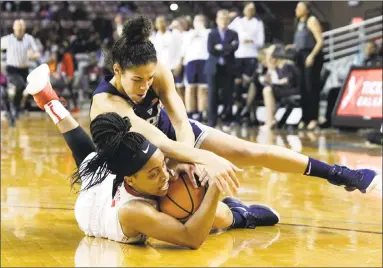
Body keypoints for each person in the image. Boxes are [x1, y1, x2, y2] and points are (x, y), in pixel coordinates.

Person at [34, 15, 379, 198]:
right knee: (104, 174)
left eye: (149, 79)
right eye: (136, 81)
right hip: (133, 153)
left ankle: (341, 175)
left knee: (249, 150)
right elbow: (159, 143)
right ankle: (52, 104)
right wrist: (198, 159)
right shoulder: (106, 105)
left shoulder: (158, 72)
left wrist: (192, 156)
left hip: (169, 134)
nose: (144, 86)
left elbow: (181, 121)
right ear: (117, 71)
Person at [25, 68, 279, 249]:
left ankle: (50, 103)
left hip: (110, 184)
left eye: (161, 167)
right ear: (130, 180)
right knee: (186, 210)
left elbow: (159, 164)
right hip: (91, 211)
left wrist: (179, 165)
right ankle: (241, 216)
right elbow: (191, 239)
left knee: (92, 157)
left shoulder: (135, 171)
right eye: (154, 173)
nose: (164, 176)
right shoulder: (134, 211)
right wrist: (213, 188)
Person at [287, 1, 324, 131]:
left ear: (307, 10)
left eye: (299, 7)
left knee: (311, 88)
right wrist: (292, 47)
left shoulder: (311, 20)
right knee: (303, 88)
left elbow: (320, 41)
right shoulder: (298, 23)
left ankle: (313, 118)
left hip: (311, 56)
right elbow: (300, 42)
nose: (296, 9)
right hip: (300, 57)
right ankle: (305, 118)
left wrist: (312, 56)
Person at [228, 2, 265, 124]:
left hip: (252, 56)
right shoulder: (238, 21)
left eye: (253, 9)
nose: (250, 11)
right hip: (239, 56)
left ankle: (248, 112)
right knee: (238, 85)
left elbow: (261, 42)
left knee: (251, 84)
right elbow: (228, 32)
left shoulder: (258, 23)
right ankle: (239, 113)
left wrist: (251, 40)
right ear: (244, 10)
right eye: (248, 9)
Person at [205, 9, 239, 130]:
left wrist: (221, 47)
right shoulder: (211, 34)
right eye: (221, 19)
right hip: (214, 68)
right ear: (217, 20)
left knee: (228, 95)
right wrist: (227, 47)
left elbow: (235, 47)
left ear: (229, 21)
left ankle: (227, 119)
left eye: (226, 19)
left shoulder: (234, 34)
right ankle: (212, 121)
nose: (224, 21)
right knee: (212, 95)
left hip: (228, 68)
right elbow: (211, 50)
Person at [1, 19, 41, 118]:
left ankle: (15, 108)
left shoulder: (29, 38)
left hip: (24, 70)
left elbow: (38, 53)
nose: (20, 29)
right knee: (20, 85)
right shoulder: (8, 39)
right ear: (14, 28)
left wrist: (33, 55)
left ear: (24, 28)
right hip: (11, 69)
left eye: (21, 27)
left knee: (23, 88)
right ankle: (14, 107)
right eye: (18, 27)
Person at [262, 45, 300, 130]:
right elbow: (266, 81)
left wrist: (273, 83)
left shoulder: (286, 64)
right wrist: (270, 70)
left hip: (292, 89)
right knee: (267, 90)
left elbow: (287, 80)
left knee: (267, 90)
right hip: (282, 89)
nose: (269, 58)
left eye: (270, 55)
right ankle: (271, 119)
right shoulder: (274, 67)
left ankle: (270, 120)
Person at [180, 14, 210, 122]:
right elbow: (183, 49)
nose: (199, 22)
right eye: (197, 20)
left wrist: (201, 31)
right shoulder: (188, 34)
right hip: (191, 62)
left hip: (204, 61)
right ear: (194, 22)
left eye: (201, 20)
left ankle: (202, 113)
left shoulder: (208, 32)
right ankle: (190, 113)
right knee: (190, 89)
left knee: (203, 89)